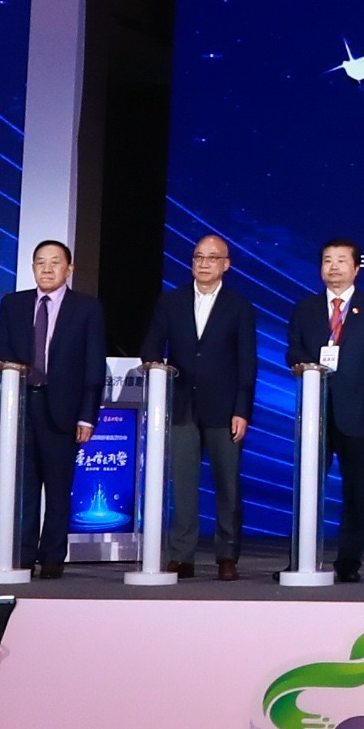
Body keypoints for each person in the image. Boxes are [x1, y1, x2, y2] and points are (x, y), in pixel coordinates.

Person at [141, 230, 260, 578]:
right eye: (198, 257)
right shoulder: (171, 301)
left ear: (226, 265)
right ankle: (182, 554)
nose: (204, 263)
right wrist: (154, 365)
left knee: (227, 485)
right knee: (182, 484)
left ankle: (227, 555)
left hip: (225, 408)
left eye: (212, 258)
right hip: (181, 405)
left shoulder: (239, 306)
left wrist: (242, 409)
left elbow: (247, 363)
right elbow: (151, 344)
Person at [0, 239, 104, 577]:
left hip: (63, 410)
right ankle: (23, 554)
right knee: (24, 487)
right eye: (41, 262)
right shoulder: (13, 304)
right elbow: (0, 347)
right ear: (33, 268)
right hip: (22, 406)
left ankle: (53, 556)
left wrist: (87, 416)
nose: (47, 269)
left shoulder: (86, 308)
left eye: (55, 262)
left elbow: (93, 365)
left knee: (57, 488)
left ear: (69, 269)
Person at [282, 238, 364, 580]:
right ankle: (300, 560)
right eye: (327, 260)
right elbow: (292, 351)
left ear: (356, 268)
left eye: (341, 260)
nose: (333, 267)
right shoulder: (305, 309)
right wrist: (303, 364)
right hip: (314, 415)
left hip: (358, 415)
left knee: (355, 493)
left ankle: (348, 564)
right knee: (307, 490)